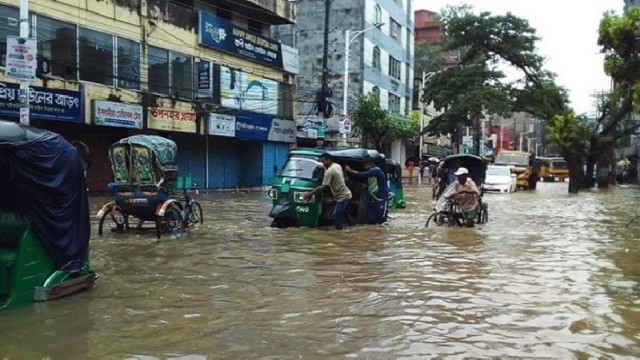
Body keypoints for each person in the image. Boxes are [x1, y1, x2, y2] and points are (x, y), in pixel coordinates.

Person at [304, 152, 352, 230]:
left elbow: (323, 187)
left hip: (342, 197)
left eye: (324, 161)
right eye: (322, 161)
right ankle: (352, 228)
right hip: (346, 193)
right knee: (346, 215)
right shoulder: (337, 165)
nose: (323, 163)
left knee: (336, 215)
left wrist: (310, 193)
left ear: (329, 160)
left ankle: (340, 234)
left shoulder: (329, 172)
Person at [345, 159, 389, 225]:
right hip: (373, 197)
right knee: (372, 217)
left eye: (366, 163)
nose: (364, 165)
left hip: (381, 197)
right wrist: (366, 185)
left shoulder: (375, 170)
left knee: (380, 218)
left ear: (371, 163)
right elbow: (375, 181)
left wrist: (349, 170)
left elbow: (362, 175)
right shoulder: (372, 172)